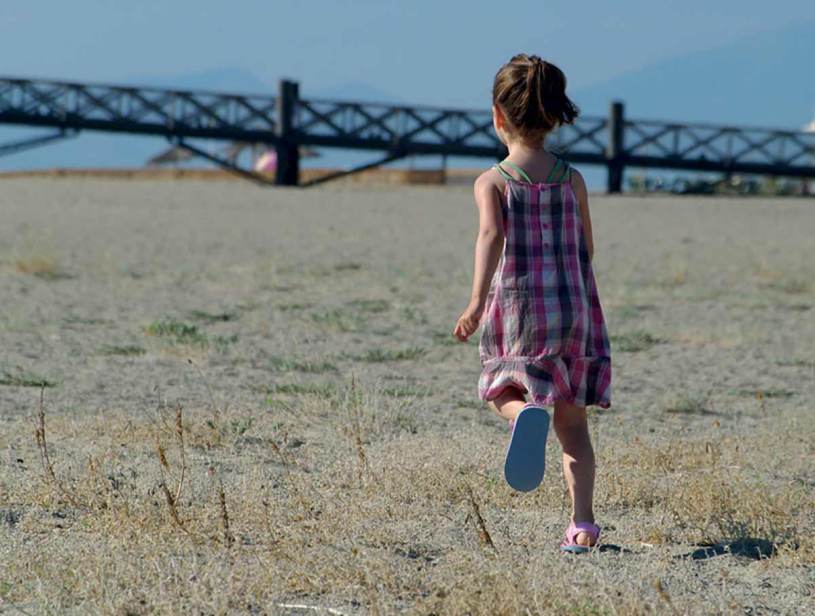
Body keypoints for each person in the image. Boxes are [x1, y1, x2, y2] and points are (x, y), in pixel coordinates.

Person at [453, 54, 612, 553]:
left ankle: (522, 414)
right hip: (573, 310)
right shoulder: (573, 178)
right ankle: (582, 525)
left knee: (500, 386)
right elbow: (587, 245)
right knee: (573, 423)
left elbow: (490, 235)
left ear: (498, 116)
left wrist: (477, 300)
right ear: (554, 116)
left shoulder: (493, 181)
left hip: (520, 307)